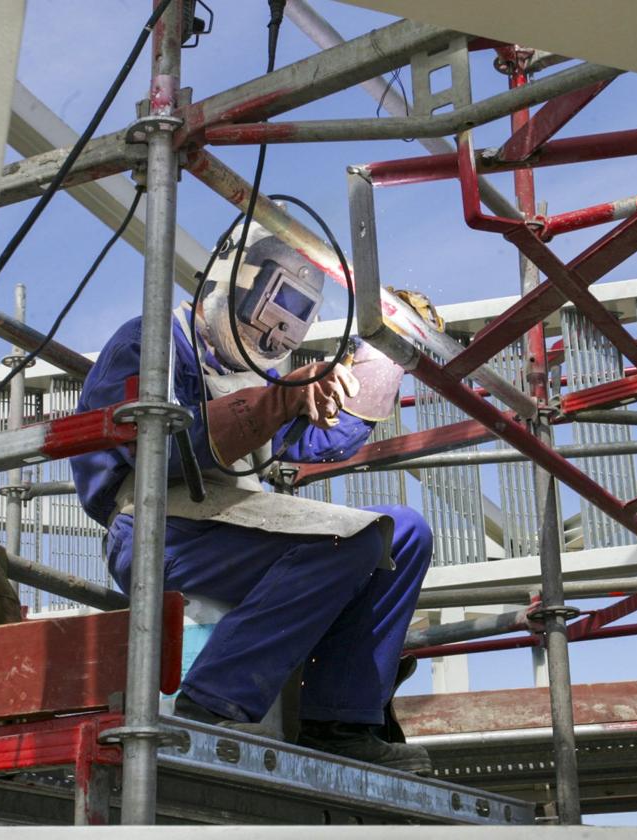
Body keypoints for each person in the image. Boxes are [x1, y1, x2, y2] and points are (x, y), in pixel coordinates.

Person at [70, 223, 433, 773]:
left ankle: (340, 721)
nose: (274, 333)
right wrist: (276, 401)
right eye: (271, 304)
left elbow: (321, 439)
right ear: (229, 283)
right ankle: (210, 702)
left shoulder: (253, 372)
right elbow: (153, 453)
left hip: (233, 521)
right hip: (156, 528)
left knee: (402, 532)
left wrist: (382, 359)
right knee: (348, 542)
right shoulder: (151, 344)